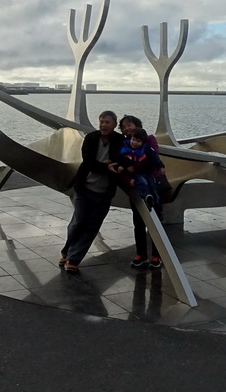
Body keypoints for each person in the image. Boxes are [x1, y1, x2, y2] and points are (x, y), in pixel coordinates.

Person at [59, 110, 125, 273]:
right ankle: (67, 251)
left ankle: (73, 259)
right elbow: (88, 162)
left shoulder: (119, 140)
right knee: (78, 222)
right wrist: (106, 166)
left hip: (104, 193)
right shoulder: (91, 138)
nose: (103, 125)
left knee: (92, 226)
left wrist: (110, 165)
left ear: (115, 124)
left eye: (107, 122)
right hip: (84, 188)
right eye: (101, 121)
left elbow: (121, 160)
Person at [118, 114, 165, 269]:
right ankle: (141, 254)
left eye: (129, 125)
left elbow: (151, 160)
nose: (126, 128)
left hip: (152, 183)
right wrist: (128, 176)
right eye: (124, 126)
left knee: (155, 219)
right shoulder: (125, 143)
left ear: (137, 125)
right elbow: (122, 161)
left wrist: (133, 168)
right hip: (135, 186)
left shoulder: (149, 140)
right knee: (138, 221)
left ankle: (157, 256)